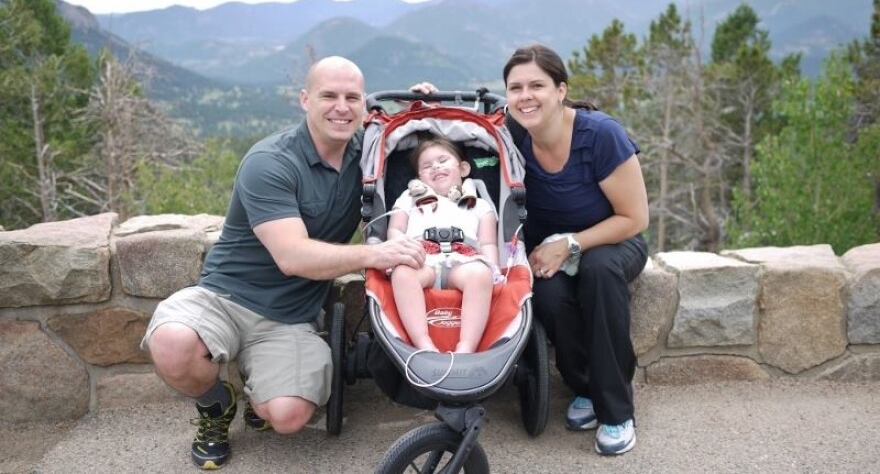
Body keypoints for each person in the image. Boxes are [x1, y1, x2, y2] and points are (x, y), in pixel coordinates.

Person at [140, 56, 426, 470]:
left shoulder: (369, 156)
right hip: (224, 297)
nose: (341, 107)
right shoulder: (270, 161)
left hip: (291, 317)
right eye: (329, 96)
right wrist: (372, 254)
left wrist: (423, 111)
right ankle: (216, 406)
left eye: (352, 98)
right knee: (172, 342)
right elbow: (291, 256)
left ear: (364, 106)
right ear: (305, 99)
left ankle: (264, 392)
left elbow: (433, 158)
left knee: (288, 418)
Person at [411, 43, 649, 456]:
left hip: (611, 239)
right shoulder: (513, 130)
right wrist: (427, 104)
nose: (525, 95)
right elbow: (460, 136)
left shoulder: (601, 136)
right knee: (550, 297)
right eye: (515, 87)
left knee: (598, 274)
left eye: (537, 85)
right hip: (547, 250)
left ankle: (616, 410)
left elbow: (634, 218)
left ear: (560, 90)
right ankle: (586, 389)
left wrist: (569, 244)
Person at [387, 136, 499, 353]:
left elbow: (488, 243)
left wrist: (493, 269)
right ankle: (422, 342)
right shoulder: (409, 198)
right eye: (427, 166)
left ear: (464, 168)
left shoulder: (479, 205)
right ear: (419, 177)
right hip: (422, 259)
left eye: (443, 161)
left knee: (481, 275)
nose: (435, 167)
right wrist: (396, 249)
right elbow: (395, 229)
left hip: (464, 261)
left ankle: (467, 345)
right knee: (402, 274)